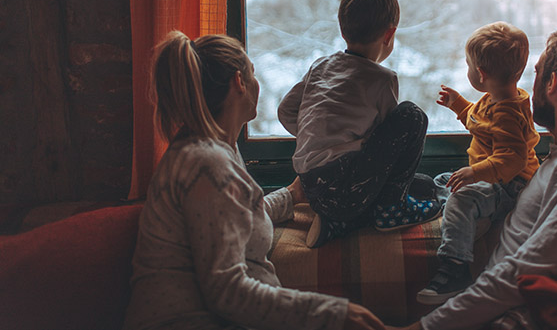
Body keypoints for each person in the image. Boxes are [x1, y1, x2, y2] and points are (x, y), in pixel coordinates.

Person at [123, 31, 385, 330]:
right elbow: (227, 291)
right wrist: (334, 314)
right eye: (253, 74)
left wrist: (290, 195)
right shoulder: (207, 164)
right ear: (239, 82)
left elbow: (233, 220)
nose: (256, 84)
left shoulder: (216, 150)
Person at [391, 23, 557, 330]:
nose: (523, 86)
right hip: (497, 308)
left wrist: (423, 327)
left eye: (534, 73)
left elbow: (524, 271)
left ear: (553, 83)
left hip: (521, 315)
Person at [278, 0, 442, 249]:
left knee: (423, 185)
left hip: (312, 188)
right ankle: (392, 211)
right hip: (347, 187)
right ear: (389, 35)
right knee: (413, 115)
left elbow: (285, 111)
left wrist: (318, 135)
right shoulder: (383, 79)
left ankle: (337, 223)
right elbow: (389, 146)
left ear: (343, 31)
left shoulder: (321, 66)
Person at [416, 22, 541, 305]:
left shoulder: (508, 112)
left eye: (468, 66)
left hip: (509, 186)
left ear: (481, 74)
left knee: (461, 199)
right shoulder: (499, 98)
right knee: (443, 181)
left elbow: (512, 158)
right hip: (493, 179)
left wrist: (475, 172)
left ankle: (455, 268)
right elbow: (482, 122)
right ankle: (471, 217)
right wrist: (459, 104)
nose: (468, 71)